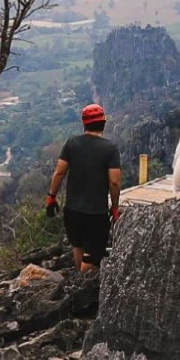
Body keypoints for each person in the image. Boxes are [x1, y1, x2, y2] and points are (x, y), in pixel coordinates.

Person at [46, 104, 122, 273]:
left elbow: (59, 173)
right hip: (96, 212)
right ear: (103, 123)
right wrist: (115, 207)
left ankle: (78, 282)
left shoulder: (72, 144)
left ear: (84, 124)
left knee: (78, 245)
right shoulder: (110, 149)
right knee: (93, 253)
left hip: (72, 210)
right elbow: (114, 182)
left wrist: (51, 197)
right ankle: (82, 289)